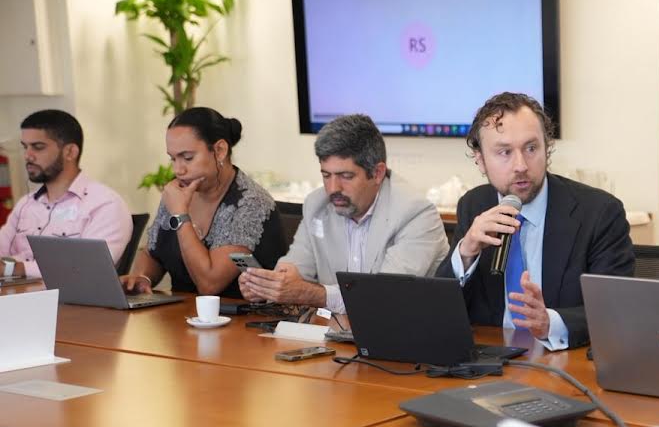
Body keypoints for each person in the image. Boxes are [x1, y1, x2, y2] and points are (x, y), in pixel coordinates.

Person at [436, 92, 634, 350]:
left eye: (531, 148)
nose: (521, 165)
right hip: (490, 358)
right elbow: (440, 310)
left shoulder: (599, 213)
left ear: (547, 148)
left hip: (563, 360)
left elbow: (614, 309)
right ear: (481, 160)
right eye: (504, 152)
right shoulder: (474, 205)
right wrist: (466, 252)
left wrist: (550, 323)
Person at [238, 114, 448, 309]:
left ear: (377, 173)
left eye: (346, 176)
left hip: (402, 331)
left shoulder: (416, 213)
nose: (333, 188)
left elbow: (386, 295)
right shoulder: (317, 204)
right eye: (326, 175)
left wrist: (313, 295)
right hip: (334, 331)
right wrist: (269, 284)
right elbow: (297, 266)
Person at [121, 107, 285, 299]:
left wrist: (180, 215)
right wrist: (142, 277)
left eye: (187, 158)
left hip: (242, 315)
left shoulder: (250, 202)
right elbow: (154, 252)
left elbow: (209, 284)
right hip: (182, 312)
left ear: (220, 150)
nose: (178, 170)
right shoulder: (180, 190)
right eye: (173, 159)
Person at [0, 110, 132, 277]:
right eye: (25, 147)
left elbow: (88, 266)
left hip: (68, 294)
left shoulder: (104, 204)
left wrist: (15, 268)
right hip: (15, 291)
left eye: (38, 147)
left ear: (70, 152)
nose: (27, 156)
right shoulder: (26, 204)